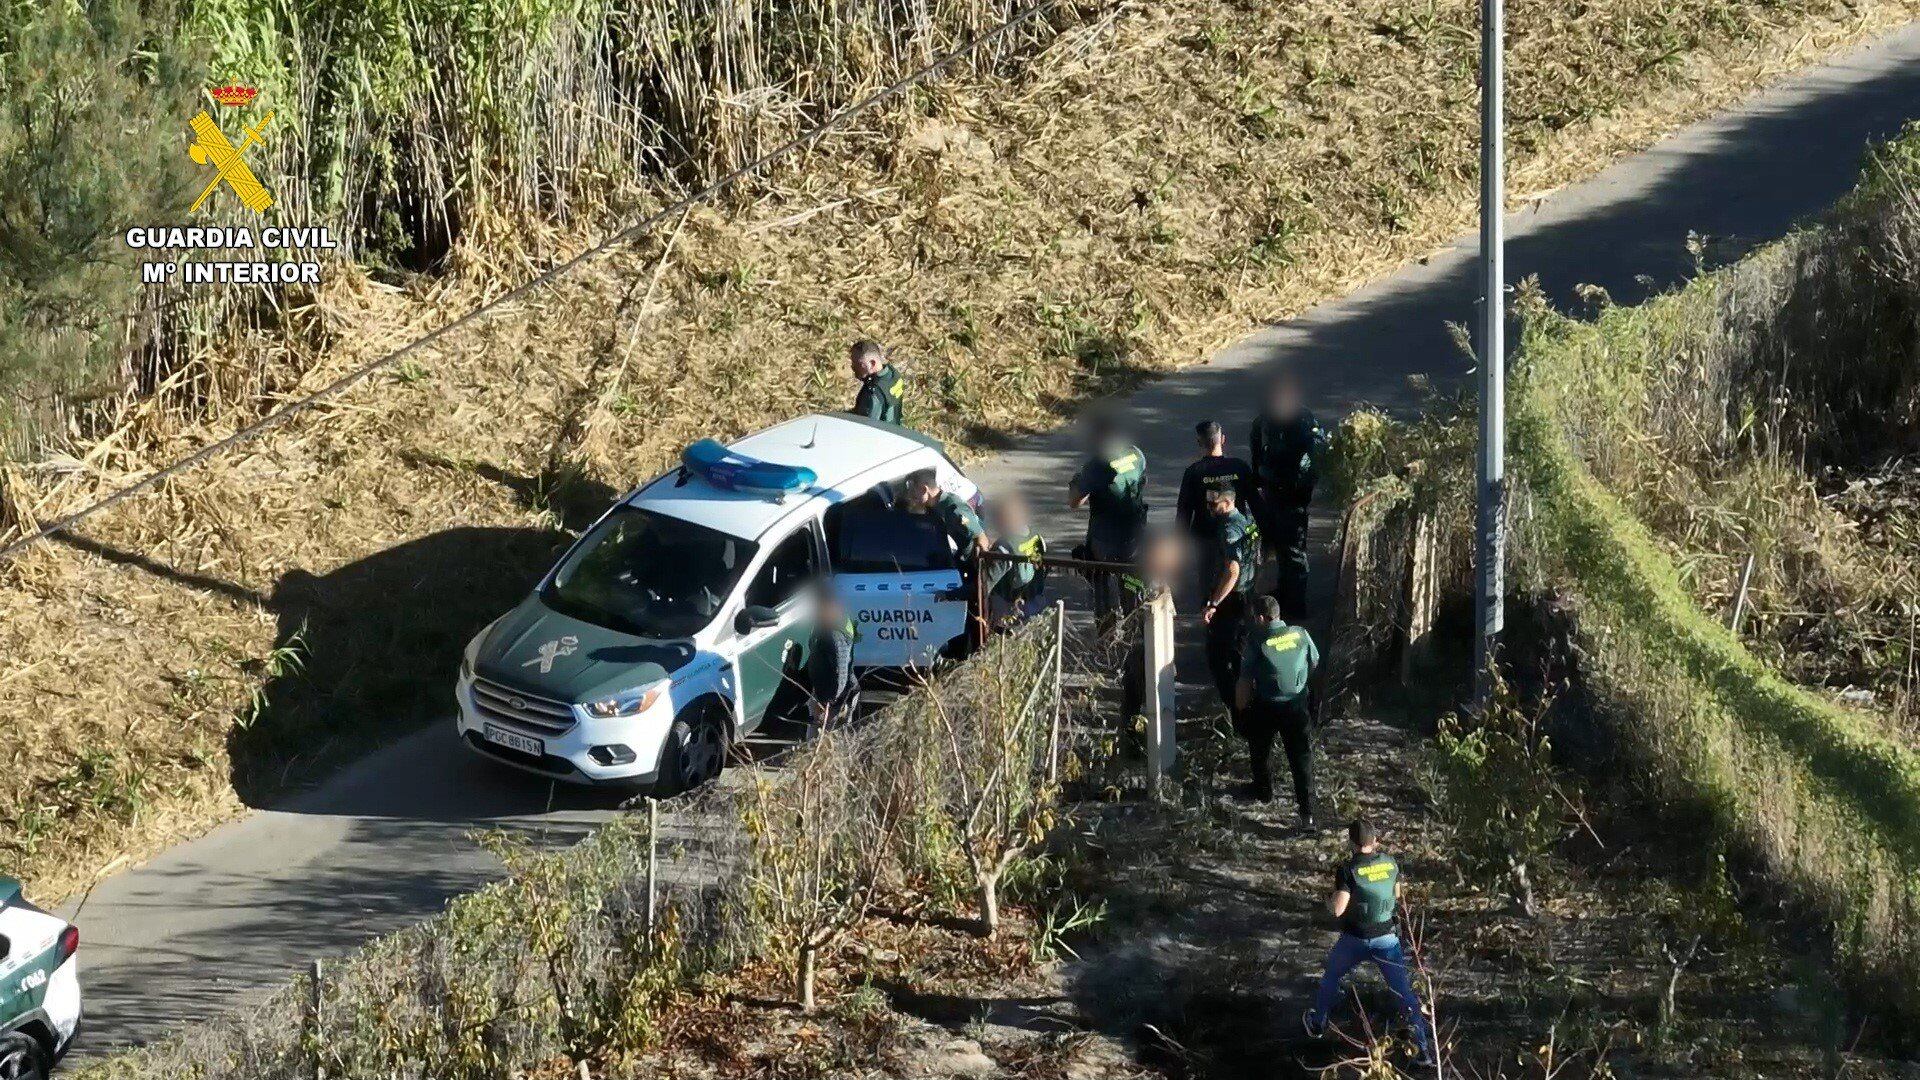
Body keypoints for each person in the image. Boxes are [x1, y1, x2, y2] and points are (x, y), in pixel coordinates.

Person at [1305, 820, 1436, 1067]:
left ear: (1351, 843)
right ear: (1375, 840)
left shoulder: (1347, 870)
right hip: (1387, 940)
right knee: (1404, 993)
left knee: (1331, 977)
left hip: (1355, 940)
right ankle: (1423, 1050)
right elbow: (1396, 895)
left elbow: (1338, 909)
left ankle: (1317, 1023)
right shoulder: (1390, 863)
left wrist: (1328, 902)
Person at [1248, 369, 1326, 621]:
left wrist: (1301, 480)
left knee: (1293, 549)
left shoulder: (1303, 421)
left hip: (1293, 493)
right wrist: (1260, 478)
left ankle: (1296, 604)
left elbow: (1315, 452)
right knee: (1280, 545)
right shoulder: (1265, 421)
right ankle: (1285, 591)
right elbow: (1257, 448)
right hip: (1273, 490)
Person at [1234, 595, 1318, 817]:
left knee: (1260, 751)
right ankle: (1307, 814)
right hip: (1297, 705)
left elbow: (1244, 682)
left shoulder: (1256, 642)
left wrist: (1241, 710)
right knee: (1301, 758)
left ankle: (1264, 792)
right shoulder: (1300, 633)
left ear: (1261, 617)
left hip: (1267, 706)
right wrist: (1300, 682)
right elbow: (1314, 660)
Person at [1067, 412, 1148, 631]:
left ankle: (1107, 633)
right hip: (1135, 537)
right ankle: (1137, 631)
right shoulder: (1136, 453)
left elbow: (1075, 501)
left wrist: (1077, 481)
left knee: (1101, 583)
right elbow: (1141, 482)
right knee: (1132, 583)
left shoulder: (1098, 464)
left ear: (1097, 437)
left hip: (1106, 540)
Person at [1198, 487, 1259, 726]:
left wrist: (1214, 603)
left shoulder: (1229, 529)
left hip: (1231, 601)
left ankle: (1237, 713)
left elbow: (1233, 570)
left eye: (1214, 505)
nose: (1210, 509)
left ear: (1228, 502)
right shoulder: (1247, 521)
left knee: (1220, 659)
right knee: (1237, 655)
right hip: (1245, 596)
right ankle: (1242, 710)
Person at [1174, 420, 1256, 539]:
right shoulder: (1239, 467)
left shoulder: (1194, 472)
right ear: (1223, 439)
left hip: (1204, 540)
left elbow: (1184, 511)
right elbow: (1255, 503)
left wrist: (1179, 542)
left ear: (1199, 442)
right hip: (1236, 536)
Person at [985, 493, 1049, 624]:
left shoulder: (1004, 546)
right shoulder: (1035, 535)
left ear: (1003, 519)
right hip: (1036, 600)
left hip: (1010, 608)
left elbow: (987, 582)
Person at [806, 587, 859, 733]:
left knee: (828, 738)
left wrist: (829, 701)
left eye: (819, 609)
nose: (816, 613)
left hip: (836, 695)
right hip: (829, 691)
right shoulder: (832, 623)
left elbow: (841, 670)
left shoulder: (836, 635)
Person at [849, 339, 905, 425]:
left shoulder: (873, 394)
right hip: (895, 427)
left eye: (858, 364)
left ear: (872, 363)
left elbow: (866, 426)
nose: (853, 367)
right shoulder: (893, 375)